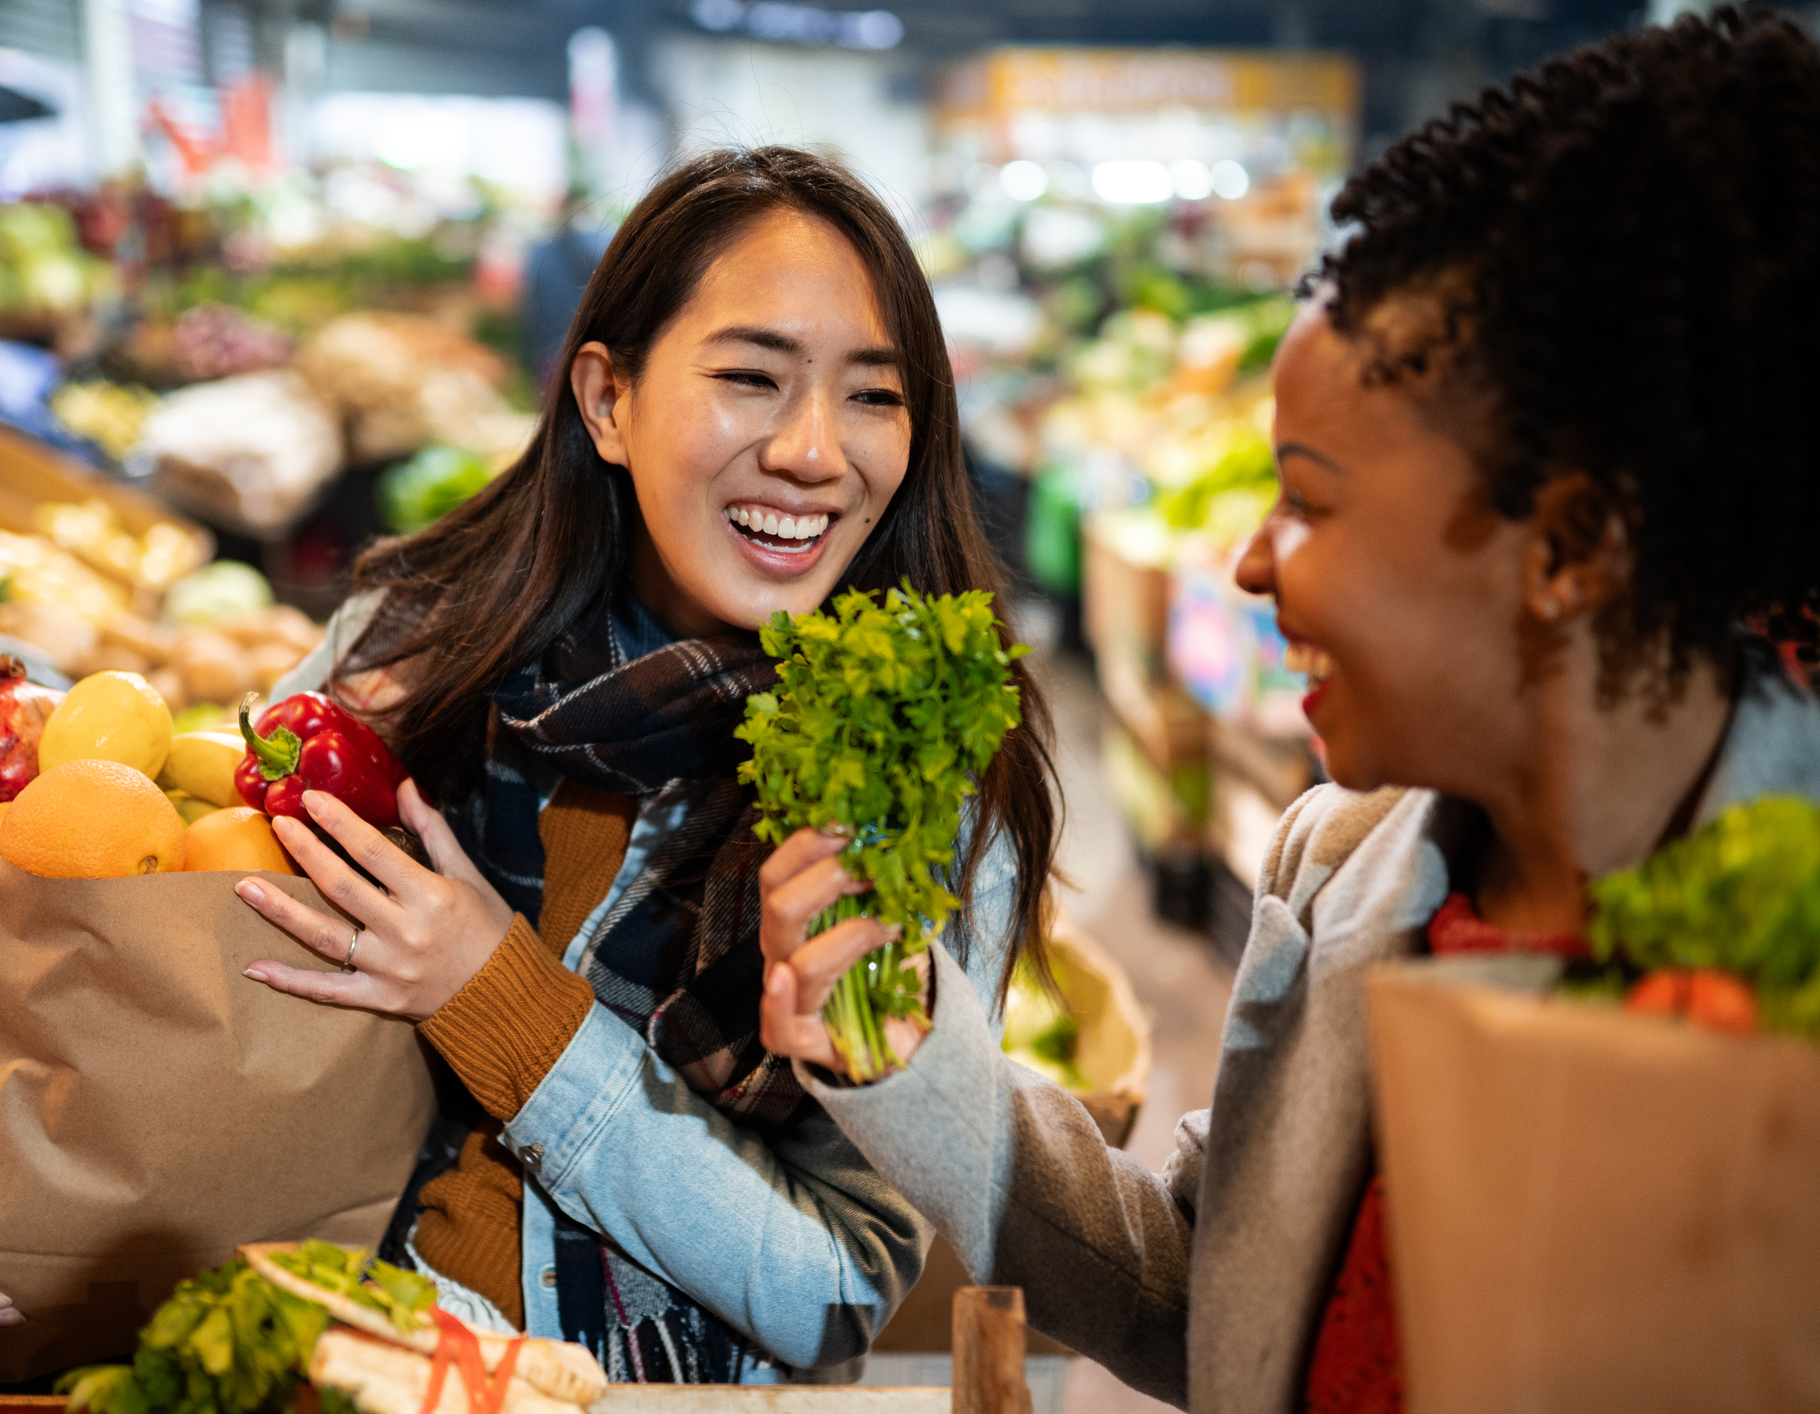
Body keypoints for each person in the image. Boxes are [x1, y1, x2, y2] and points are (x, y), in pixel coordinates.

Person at [0, 146, 1060, 1383]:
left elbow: (837, 1285)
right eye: (751, 377)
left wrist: (499, 999)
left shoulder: (918, 776)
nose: (812, 451)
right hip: (317, 1358)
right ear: (606, 400)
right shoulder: (412, 645)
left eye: (874, 396)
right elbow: (156, 929)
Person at [757, 10, 1820, 1412]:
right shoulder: (1339, 870)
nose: (1251, 560)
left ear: (1568, 548)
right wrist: (908, 1058)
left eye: (1309, 499)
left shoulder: (1779, 913)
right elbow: (1210, 1297)